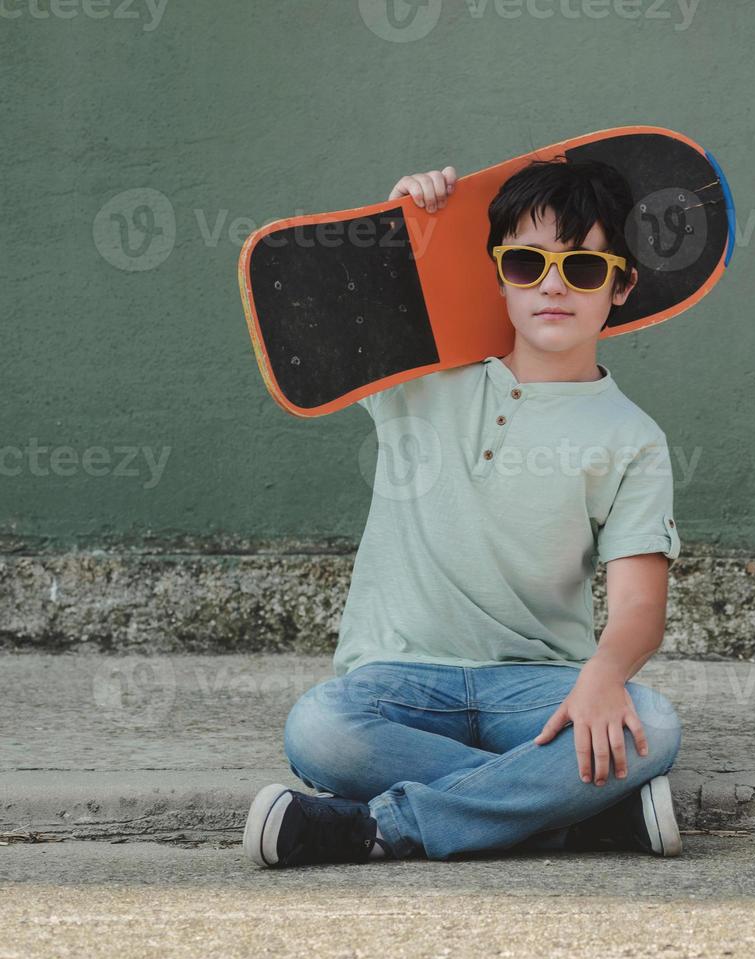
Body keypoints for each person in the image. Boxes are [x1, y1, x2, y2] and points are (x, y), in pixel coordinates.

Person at [243, 156, 685, 867]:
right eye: (524, 264)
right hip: (399, 678)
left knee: (653, 725)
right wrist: (398, 232)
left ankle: (378, 827)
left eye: (583, 269)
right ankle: (570, 816)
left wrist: (602, 678)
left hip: (536, 691)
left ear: (622, 285)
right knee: (320, 726)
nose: (551, 285)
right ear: (496, 274)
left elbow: (640, 608)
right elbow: (341, 314)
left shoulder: (632, 437)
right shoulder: (422, 378)